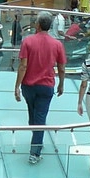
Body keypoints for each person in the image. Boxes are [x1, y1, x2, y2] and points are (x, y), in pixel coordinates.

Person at [14, 11, 67, 165]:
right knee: (40, 117)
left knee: (34, 116)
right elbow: (62, 67)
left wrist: (17, 86)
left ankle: (36, 146)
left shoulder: (27, 42)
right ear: (50, 27)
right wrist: (62, 83)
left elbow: (23, 66)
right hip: (46, 86)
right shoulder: (57, 44)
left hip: (28, 86)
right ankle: (37, 144)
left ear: (37, 24)